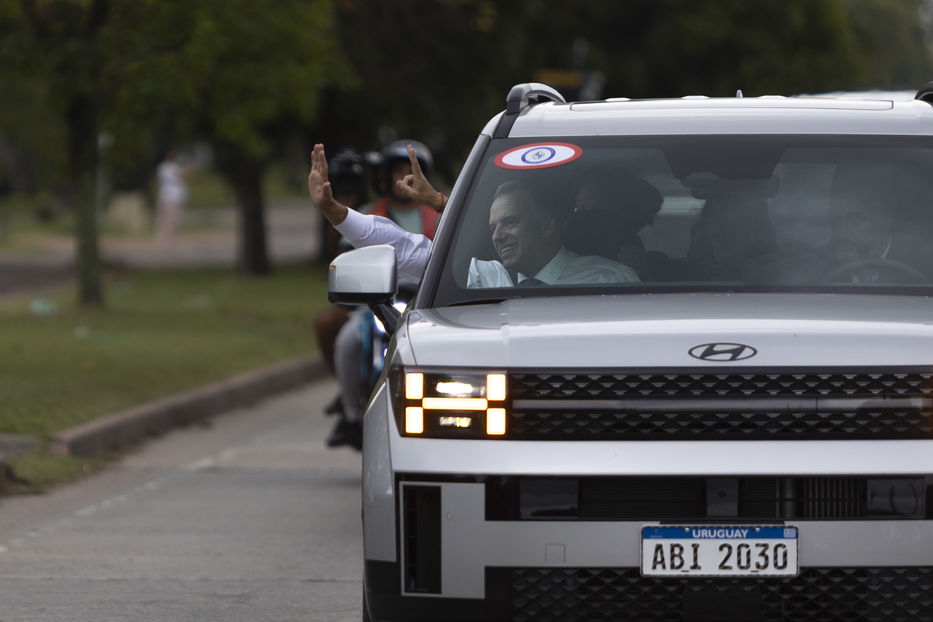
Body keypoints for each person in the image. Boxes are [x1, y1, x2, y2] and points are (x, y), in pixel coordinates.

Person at [322, 140, 441, 449]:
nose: (404, 179)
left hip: (423, 304)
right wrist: (331, 207)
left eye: (411, 172)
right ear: (384, 178)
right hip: (377, 300)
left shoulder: (440, 216)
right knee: (348, 342)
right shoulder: (366, 213)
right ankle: (350, 414)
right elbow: (350, 243)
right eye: (397, 173)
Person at [154, 150, 193, 248]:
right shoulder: (164, 167)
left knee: (173, 219)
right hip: (168, 196)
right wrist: (186, 170)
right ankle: (163, 239)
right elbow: (178, 177)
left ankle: (170, 239)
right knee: (165, 218)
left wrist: (188, 171)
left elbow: (183, 178)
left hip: (175, 197)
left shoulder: (175, 167)